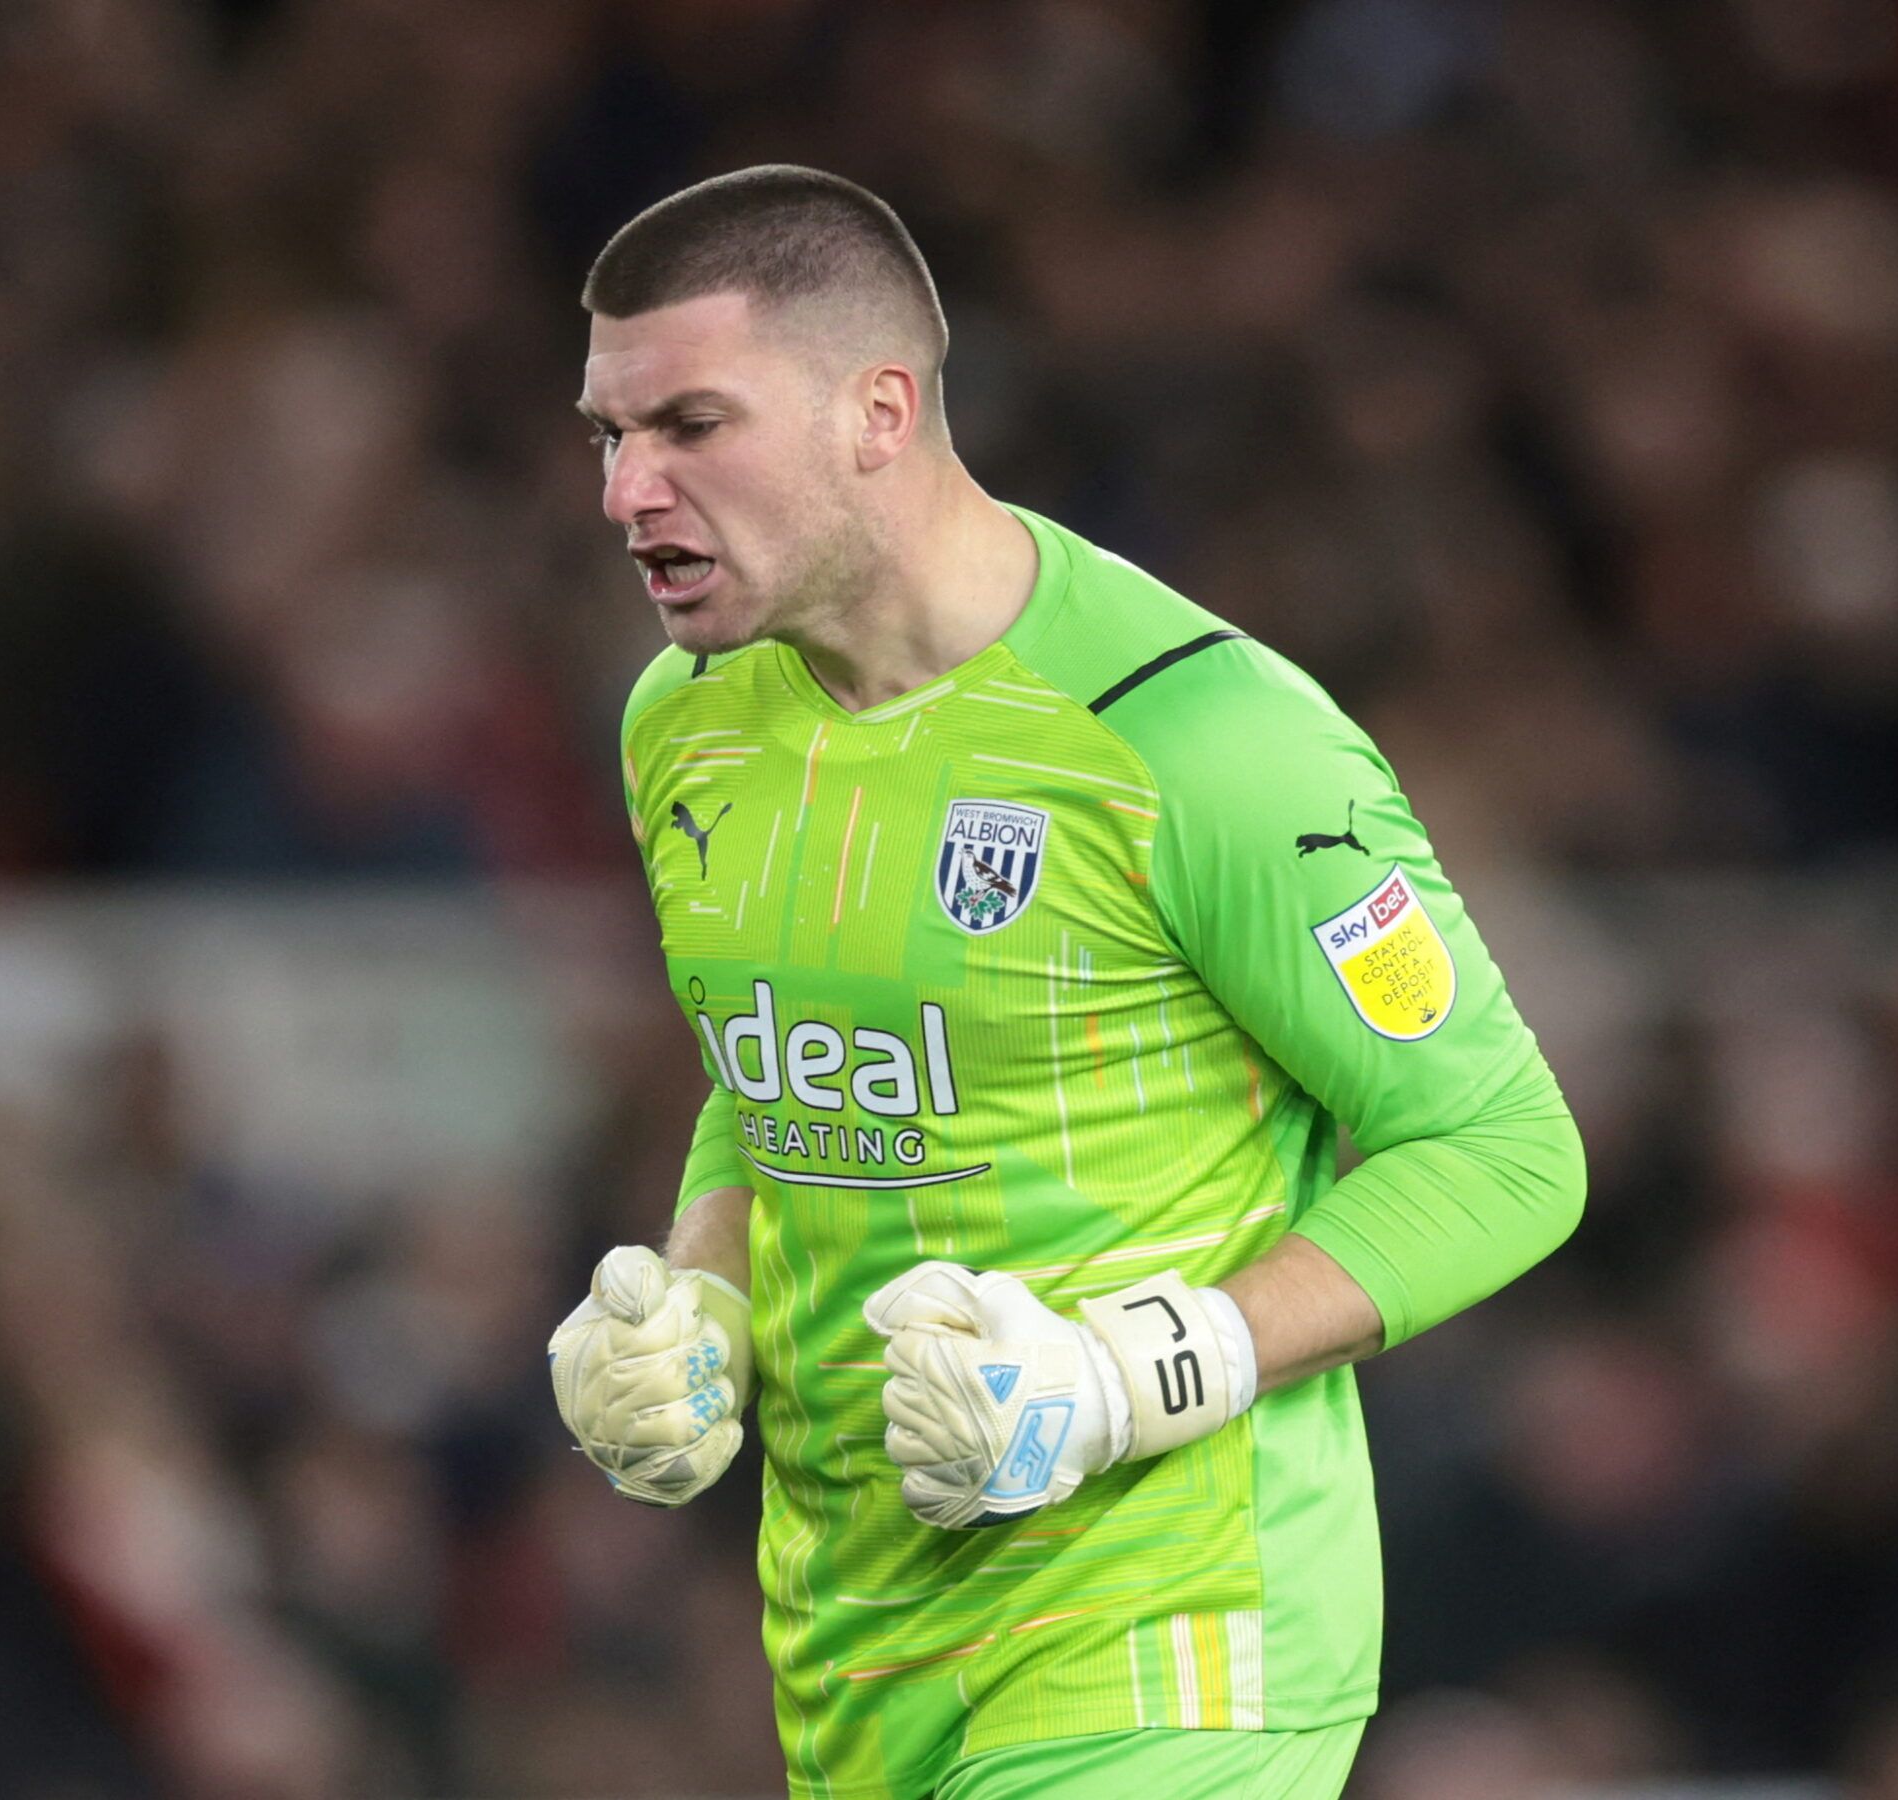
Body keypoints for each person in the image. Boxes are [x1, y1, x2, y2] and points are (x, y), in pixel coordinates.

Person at [547, 164, 1585, 1800]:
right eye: (611, 437)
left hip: (1171, 1645)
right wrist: (702, 1304)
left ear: (878, 411)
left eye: (689, 425)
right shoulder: (682, 722)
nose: (627, 492)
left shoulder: (1204, 735)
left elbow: (1507, 1153)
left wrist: (1128, 1377)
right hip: (851, 1655)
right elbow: (788, 1084)